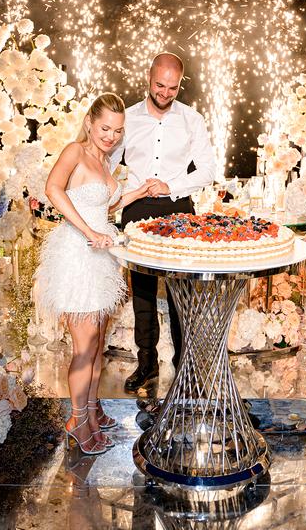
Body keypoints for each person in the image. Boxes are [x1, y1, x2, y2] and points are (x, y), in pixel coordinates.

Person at [34, 92, 150, 455]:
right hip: (77, 256)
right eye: (105, 128)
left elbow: (108, 203)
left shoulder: (105, 161)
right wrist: (88, 232)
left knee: (98, 345)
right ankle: (77, 421)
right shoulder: (75, 151)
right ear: (90, 122)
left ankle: (92, 415)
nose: (111, 136)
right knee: (83, 349)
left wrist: (140, 191)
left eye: (117, 130)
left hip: (101, 256)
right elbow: (53, 189)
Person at [110, 52, 216, 392]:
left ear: (179, 84)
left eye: (172, 87)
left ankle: (185, 368)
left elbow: (208, 170)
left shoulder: (191, 119)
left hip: (178, 209)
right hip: (137, 209)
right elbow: (106, 163)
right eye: (159, 85)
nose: (165, 93)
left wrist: (172, 185)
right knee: (141, 292)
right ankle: (146, 366)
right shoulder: (125, 118)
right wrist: (117, 196)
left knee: (181, 294)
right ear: (149, 77)